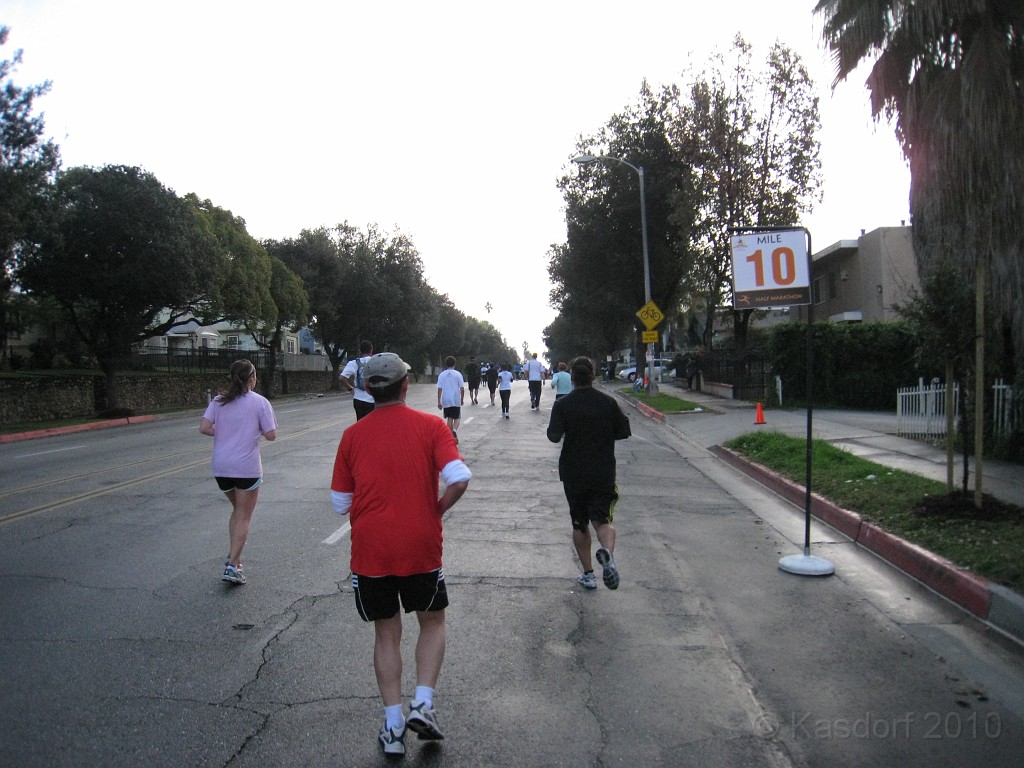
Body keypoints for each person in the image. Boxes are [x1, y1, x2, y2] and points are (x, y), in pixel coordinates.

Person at [330, 352, 471, 757]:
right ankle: (422, 704)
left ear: (368, 389)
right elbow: (459, 477)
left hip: (371, 551)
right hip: (420, 547)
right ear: (405, 385)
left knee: (386, 632)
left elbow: (341, 504)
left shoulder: (352, 436)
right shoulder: (430, 426)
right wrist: (437, 507)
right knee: (432, 621)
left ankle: (393, 729)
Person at [546, 356, 631, 591]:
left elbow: (553, 436)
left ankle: (588, 574)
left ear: (572, 377)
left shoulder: (563, 405)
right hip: (603, 471)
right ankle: (608, 554)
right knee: (602, 520)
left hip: (574, 473)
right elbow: (623, 431)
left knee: (579, 524)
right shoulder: (607, 403)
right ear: (593, 375)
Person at [199, 360, 278, 585]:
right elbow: (271, 435)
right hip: (246, 468)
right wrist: (252, 432)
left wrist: (225, 434)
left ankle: (234, 556)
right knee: (244, 515)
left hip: (221, 467)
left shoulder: (218, 401)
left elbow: (204, 428)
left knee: (237, 511)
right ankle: (232, 566)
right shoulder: (260, 403)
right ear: (252, 377)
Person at [341, 340, 375, 420]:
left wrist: (350, 388)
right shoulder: (375, 361)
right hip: (372, 399)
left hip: (358, 399)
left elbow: (342, 378)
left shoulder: (353, 363)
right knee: (371, 425)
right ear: (371, 350)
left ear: (360, 350)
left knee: (360, 423)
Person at [436, 355, 465, 444]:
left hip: (446, 399)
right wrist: (461, 399)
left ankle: (449, 436)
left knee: (449, 418)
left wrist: (439, 401)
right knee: (457, 417)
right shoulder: (458, 374)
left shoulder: (442, 375)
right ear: (454, 364)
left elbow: (439, 388)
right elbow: (462, 388)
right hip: (455, 399)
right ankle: (455, 430)